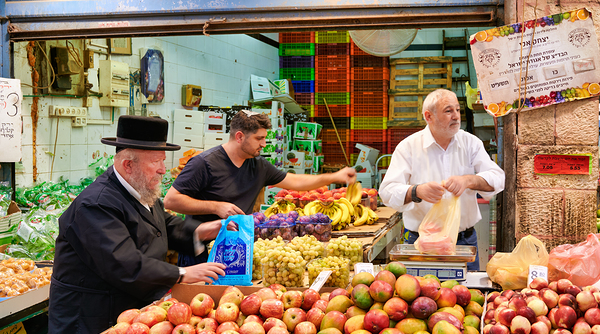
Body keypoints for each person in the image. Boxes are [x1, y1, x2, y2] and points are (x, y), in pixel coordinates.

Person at [47, 116, 227, 334]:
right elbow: (123, 263)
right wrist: (181, 273)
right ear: (127, 164)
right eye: (156, 161)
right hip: (90, 319)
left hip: (126, 314)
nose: (162, 170)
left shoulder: (138, 190)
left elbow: (163, 225)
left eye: (162, 160)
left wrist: (201, 231)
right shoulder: (95, 205)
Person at [163, 109, 356, 266]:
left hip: (237, 250)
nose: (264, 144)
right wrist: (216, 207)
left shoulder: (258, 165)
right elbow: (171, 200)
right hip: (200, 253)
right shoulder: (203, 163)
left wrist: (334, 177)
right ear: (239, 136)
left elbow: (294, 182)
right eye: (258, 138)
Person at [379, 89, 505, 271]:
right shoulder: (408, 147)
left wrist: (469, 180)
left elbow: (498, 178)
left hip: (463, 241)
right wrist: (416, 191)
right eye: (448, 111)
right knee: (421, 298)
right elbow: (387, 192)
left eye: (457, 110)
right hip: (422, 244)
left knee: (465, 296)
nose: (456, 116)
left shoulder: (471, 143)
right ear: (428, 116)